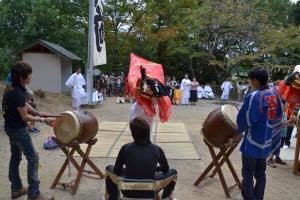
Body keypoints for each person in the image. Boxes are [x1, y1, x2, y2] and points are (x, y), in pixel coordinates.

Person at [2, 62, 54, 200]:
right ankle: (34, 194)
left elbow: (23, 105)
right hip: (18, 129)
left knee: (15, 156)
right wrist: (42, 120)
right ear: (21, 77)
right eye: (29, 74)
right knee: (33, 158)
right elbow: (25, 117)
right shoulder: (18, 92)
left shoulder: (11, 88)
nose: (31, 76)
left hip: (10, 128)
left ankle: (16, 189)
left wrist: (39, 113)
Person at [236, 67, 282, 200]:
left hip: (252, 143)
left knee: (248, 173)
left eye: (250, 81)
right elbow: (278, 116)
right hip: (266, 142)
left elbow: (245, 119)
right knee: (261, 173)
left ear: (255, 81)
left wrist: (237, 130)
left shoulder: (255, 96)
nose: (250, 83)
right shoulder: (273, 94)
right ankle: (258, 197)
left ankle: (250, 198)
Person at [105, 117, 177, 200]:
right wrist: (155, 169)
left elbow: (117, 171)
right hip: (151, 191)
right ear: (148, 131)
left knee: (108, 169)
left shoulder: (125, 148)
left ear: (133, 133)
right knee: (173, 172)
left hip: (127, 190)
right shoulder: (157, 149)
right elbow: (165, 169)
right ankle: (165, 197)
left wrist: (129, 169)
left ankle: (113, 197)